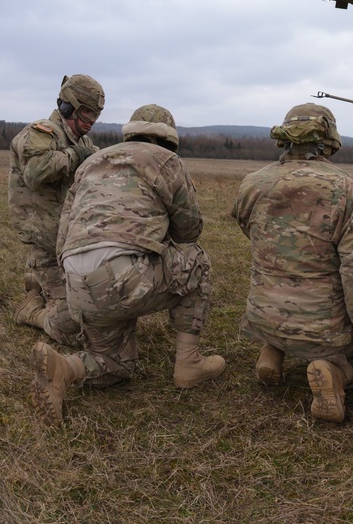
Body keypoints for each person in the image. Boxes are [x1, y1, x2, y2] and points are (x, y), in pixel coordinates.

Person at [31, 104, 225, 427]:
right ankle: (189, 362)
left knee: (115, 365)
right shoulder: (167, 162)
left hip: (77, 282)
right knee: (197, 261)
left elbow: (62, 237)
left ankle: (63, 369)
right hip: (124, 277)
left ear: (130, 133)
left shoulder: (89, 164)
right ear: (169, 140)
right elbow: (189, 232)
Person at [231, 103, 353, 423]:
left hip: (262, 313)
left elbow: (251, 232)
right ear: (329, 139)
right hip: (322, 327)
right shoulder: (344, 188)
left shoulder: (252, 183)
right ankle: (332, 371)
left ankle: (272, 352)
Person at [9, 74, 104, 346]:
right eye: (86, 113)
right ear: (67, 107)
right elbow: (36, 172)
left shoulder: (82, 142)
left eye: (95, 115)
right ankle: (32, 312)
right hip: (47, 243)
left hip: (70, 243)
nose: (91, 121)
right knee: (75, 327)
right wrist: (75, 157)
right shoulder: (41, 133)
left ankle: (35, 282)